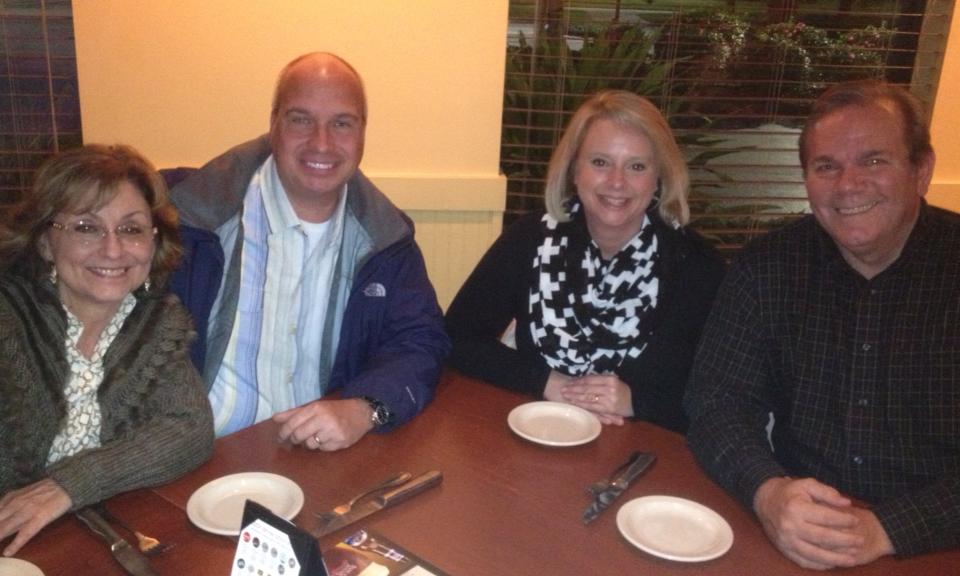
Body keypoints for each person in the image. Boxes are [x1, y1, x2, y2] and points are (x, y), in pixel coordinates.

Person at [683, 79, 960, 569]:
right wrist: (767, 491)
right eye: (826, 166)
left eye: (874, 160)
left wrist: (890, 528)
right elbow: (716, 399)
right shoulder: (767, 267)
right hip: (796, 532)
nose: (848, 184)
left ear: (921, 170)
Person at [169, 52, 448, 450]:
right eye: (301, 119)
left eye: (342, 123)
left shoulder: (386, 239)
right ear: (274, 123)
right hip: (195, 455)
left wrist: (365, 407)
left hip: (311, 456)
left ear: (363, 132)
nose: (322, 143)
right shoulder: (187, 214)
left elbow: (421, 341)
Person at [445, 90, 724, 432]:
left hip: (645, 454)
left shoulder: (697, 267)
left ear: (658, 178)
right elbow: (456, 339)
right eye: (600, 162)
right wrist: (548, 382)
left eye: (636, 166)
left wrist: (636, 400)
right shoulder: (529, 240)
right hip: (538, 437)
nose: (617, 182)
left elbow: (722, 398)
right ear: (574, 169)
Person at [0, 144, 214, 556]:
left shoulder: (154, 323)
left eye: (131, 229)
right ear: (46, 241)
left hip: (81, 540)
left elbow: (190, 428)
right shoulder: (10, 320)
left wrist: (69, 485)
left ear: (154, 242)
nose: (113, 249)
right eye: (86, 227)